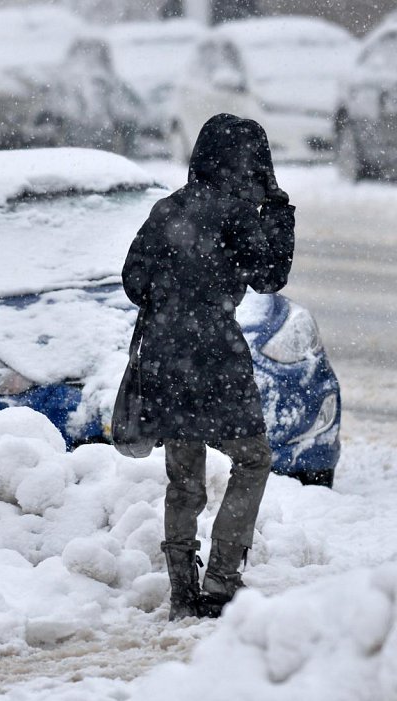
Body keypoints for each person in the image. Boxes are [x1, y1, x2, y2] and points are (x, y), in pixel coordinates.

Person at [121, 113, 295, 620]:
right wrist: (278, 210)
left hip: (165, 359)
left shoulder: (166, 209)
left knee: (184, 477)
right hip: (217, 356)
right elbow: (270, 277)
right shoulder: (239, 214)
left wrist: (174, 295)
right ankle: (221, 577)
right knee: (254, 458)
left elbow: (134, 281)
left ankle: (181, 589)